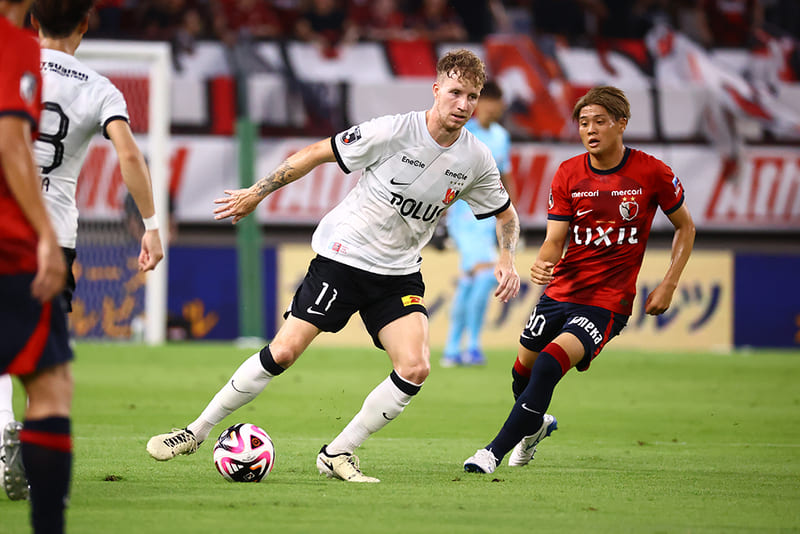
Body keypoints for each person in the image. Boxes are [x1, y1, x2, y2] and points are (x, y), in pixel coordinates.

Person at [147, 48, 521, 483]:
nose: (463, 105)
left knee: (415, 367)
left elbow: (505, 213)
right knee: (283, 352)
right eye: (455, 92)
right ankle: (195, 431)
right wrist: (257, 191)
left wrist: (507, 259)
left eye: (472, 97)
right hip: (344, 258)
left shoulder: (476, 158)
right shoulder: (392, 131)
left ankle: (338, 452)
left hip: (398, 271)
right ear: (436, 90)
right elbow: (316, 152)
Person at [463, 86, 696, 474]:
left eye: (600, 122)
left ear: (622, 124)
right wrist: (542, 263)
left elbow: (685, 227)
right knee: (523, 371)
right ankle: (534, 427)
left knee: (551, 363)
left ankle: (491, 452)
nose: (590, 130)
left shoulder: (652, 172)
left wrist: (669, 282)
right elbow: (556, 240)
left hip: (607, 301)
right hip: (561, 291)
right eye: (583, 123)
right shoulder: (569, 173)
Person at [0, 0, 166, 504]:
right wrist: (152, 226)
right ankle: (28, 441)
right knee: (42, 357)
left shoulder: (10, 61)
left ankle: (5, 424)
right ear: (85, 25)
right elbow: (129, 155)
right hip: (54, 235)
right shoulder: (99, 88)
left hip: (5, 217)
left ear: (34, 20)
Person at [0, 0, 74, 531]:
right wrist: (45, 235)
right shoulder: (17, 44)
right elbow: (10, 143)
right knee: (50, 386)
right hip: (7, 243)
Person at [441, 80, 514, 367]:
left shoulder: (501, 136)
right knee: (484, 276)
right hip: (464, 216)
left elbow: (505, 177)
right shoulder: (462, 133)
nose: (495, 108)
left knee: (470, 281)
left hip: (490, 219)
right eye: (490, 101)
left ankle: (451, 349)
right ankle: (471, 345)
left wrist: (511, 216)